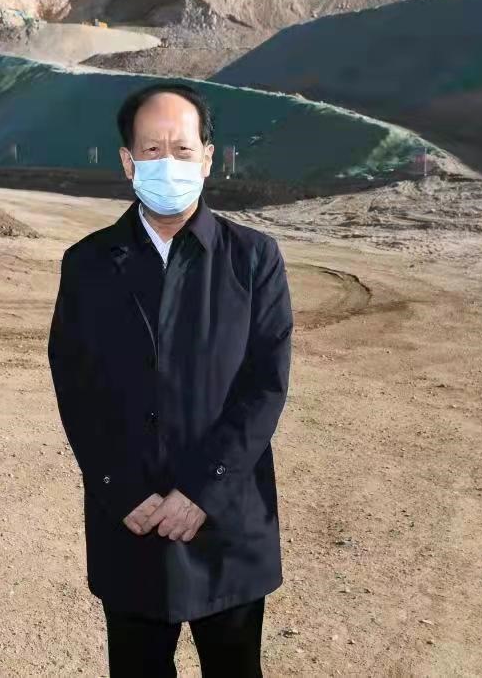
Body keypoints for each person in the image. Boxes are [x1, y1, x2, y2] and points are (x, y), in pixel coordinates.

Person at [48, 83, 293, 677]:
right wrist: (121, 487)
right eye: (151, 150)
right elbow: (77, 387)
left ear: (207, 158)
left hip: (227, 519)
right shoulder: (88, 263)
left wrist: (203, 491)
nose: (168, 164)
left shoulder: (253, 258)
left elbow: (264, 386)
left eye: (182, 150)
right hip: (130, 517)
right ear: (127, 162)